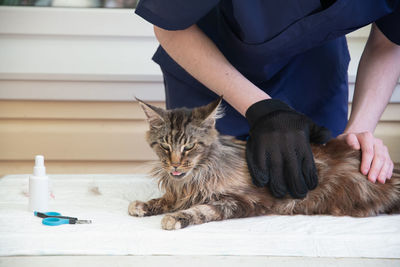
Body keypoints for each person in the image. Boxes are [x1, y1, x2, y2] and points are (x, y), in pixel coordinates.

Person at [135, 0, 400, 198]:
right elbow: (170, 26)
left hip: (314, 76)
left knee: (312, 198)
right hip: (211, 75)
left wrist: (358, 132)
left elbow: (390, 40)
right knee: (211, 198)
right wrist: (261, 108)